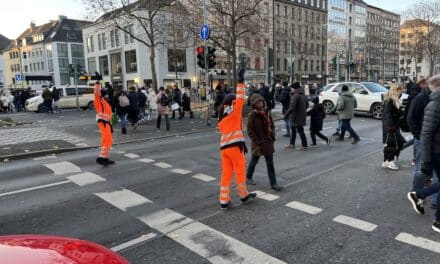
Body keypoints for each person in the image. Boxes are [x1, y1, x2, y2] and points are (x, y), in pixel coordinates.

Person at [407, 75, 440, 233]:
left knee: (435, 178)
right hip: (430, 146)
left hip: (433, 145)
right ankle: (418, 193)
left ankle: (432, 204)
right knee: (422, 169)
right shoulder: (428, 101)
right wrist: (416, 135)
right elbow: (412, 119)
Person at [217, 83, 257, 209]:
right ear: (233, 102)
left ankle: (224, 200)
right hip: (235, 147)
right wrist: (240, 82)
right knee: (240, 171)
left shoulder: (222, 116)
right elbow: (241, 99)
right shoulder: (234, 112)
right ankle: (243, 195)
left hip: (224, 149)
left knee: (226, 174)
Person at [246, 94, 283, 191]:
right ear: (254, 104)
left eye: (261, 101)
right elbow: (250, 131)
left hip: (267, 142)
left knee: (270, 164)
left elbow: (272, 125)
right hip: (258, 143)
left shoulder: (267, 112)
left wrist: (273, 135)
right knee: (254, 160)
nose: (260, 103)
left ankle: (274, 184)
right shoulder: (252, 115)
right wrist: (257, 141)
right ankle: (248, 176)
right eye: (258, 102)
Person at [382, 85, 406, 170]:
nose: (401, 92)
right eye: (400, 90)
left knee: (390, 143)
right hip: (391, 126)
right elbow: (387, 114)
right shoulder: (390, 100)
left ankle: (386, 161)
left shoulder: (391, 100)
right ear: (395, 91)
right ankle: (390, 161)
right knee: (395, 143)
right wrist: (390, 125)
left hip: (391, 125)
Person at [94, 81, 114, 166]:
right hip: (103, 123)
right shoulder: (99, 100)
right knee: (107, 140)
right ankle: (101, 158)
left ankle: (105, 157)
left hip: (107, 123)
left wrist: (110, 124)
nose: (107, 95)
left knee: (107, 140)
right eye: (106, 94)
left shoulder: (104, 101)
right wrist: (97, 83)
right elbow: (96, 92)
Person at [284, 82, 309, 150]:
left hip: (295, 116)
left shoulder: (295, 95)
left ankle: (304, 145)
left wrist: (286, 114)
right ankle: (292, 144)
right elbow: (307, 105)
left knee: (300, 131)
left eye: (292, 88)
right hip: (301, 115)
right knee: (294, 130)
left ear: (295, 88)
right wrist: (302, 110)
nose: (291, 89)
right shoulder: (304, 95)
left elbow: (292, 107)